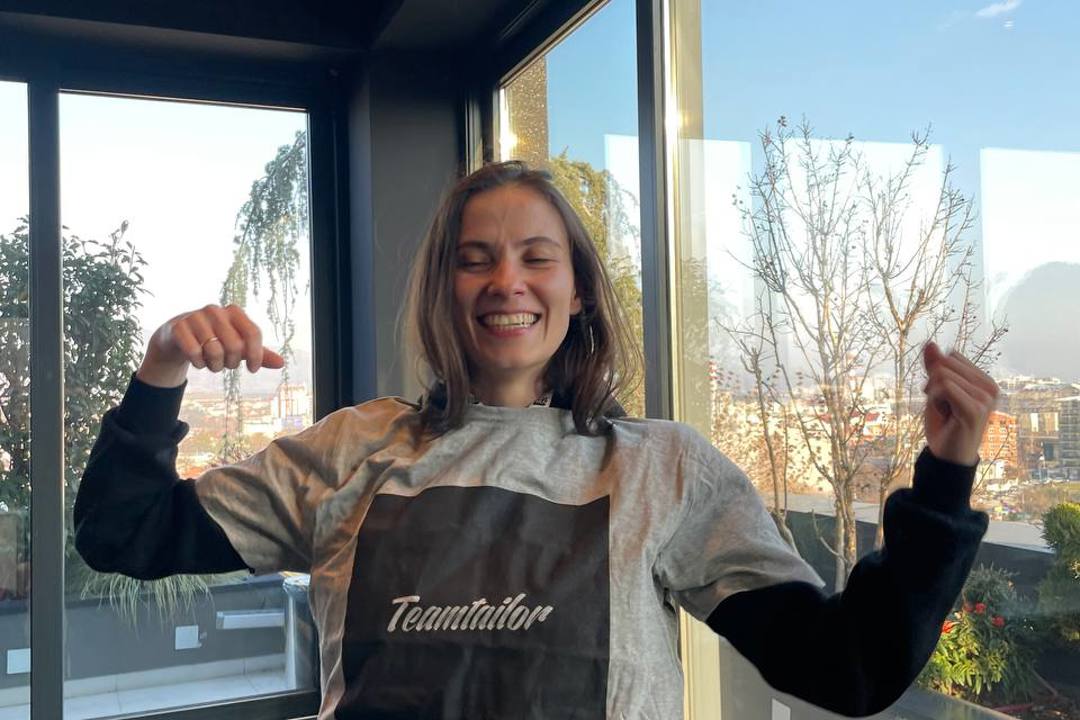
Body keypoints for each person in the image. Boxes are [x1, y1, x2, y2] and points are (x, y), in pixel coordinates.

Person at [75, 161, 993, 719]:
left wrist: (943, 483)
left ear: (578, 289)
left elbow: (849, 667)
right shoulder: (354, 448)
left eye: (535, 256)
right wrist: (161, 372)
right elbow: (126, 532)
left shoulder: (665, 470)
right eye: (474, 258)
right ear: (444, 288)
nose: (504, 281)